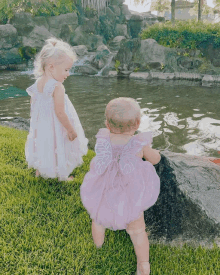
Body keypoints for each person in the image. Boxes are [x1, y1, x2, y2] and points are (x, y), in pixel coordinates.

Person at [80, 97, 161, 275]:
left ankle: (99, 245)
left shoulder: (103, 139)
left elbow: (100, 161)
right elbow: (155, 159)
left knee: (98, 217)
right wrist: (155, 153)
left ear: (107, 124)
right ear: (137, 123)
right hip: (129, 192)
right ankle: (143, 264)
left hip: (104, 190)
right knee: (137, 229)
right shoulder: (139, 142)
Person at [25, 37, 88, 181]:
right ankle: (62, 174)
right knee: (58, 144)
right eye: (66, 70)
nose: (68, 74)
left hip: (42, 123)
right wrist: (71, 129)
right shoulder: (56, 86)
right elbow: (60, 112)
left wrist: (37, 120)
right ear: (51, 67)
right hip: (56, 124)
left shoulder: (38, 83)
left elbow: (33, 102)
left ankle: (41, 170)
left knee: (44, 144)